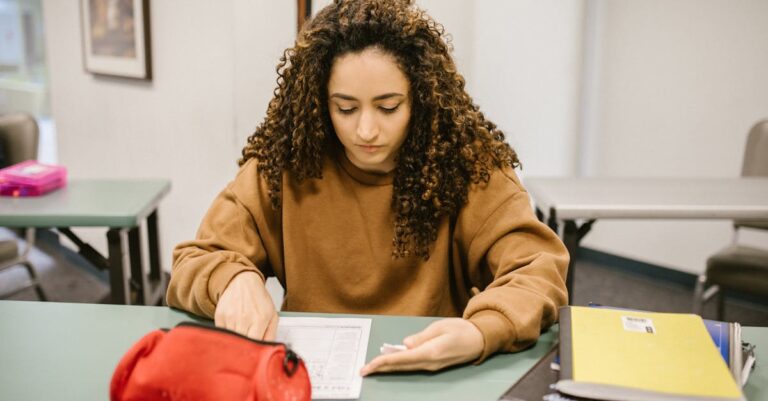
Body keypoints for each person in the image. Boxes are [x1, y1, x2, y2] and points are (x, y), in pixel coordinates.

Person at [167, 0, 568, 375]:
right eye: (345, 108)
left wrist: (483, 330)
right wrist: (233, 280)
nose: (365, 130)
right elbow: (197, 260)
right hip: (310, 377)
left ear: (422, 99)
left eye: (389, 107)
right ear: (319, 102)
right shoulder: (286, 163)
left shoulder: (468, 165)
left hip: (441, 376)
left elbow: (538, 269)